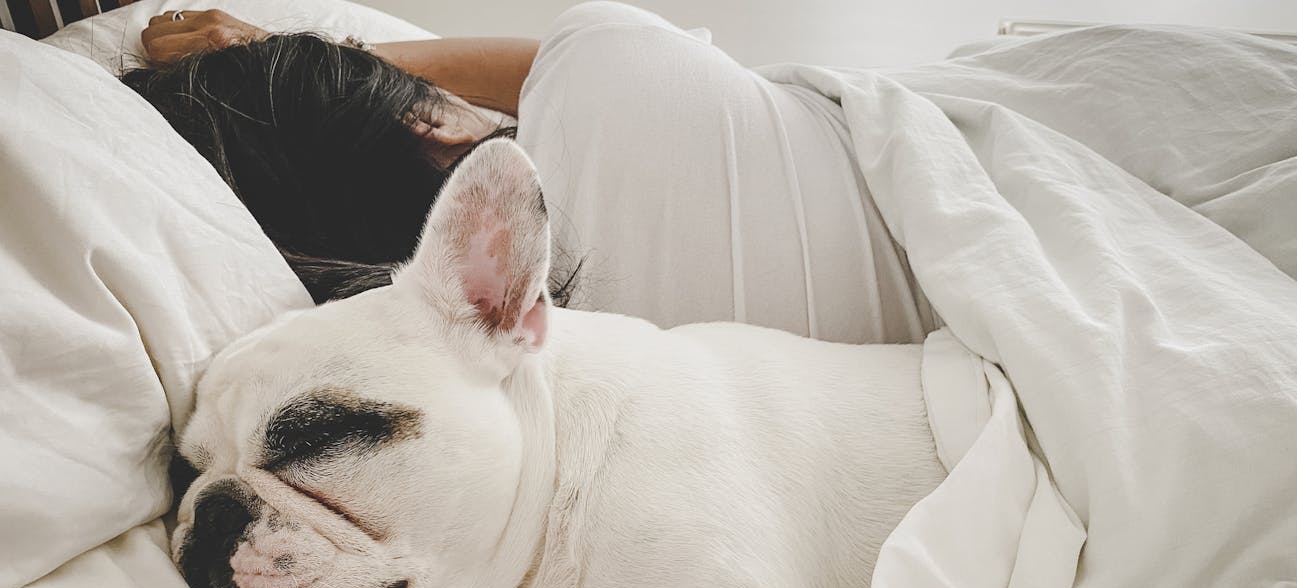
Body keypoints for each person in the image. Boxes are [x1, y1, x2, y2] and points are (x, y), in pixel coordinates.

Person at [128, 2, 933, 344]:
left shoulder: (511, 347)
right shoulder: (610, 60)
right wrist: (278, 53)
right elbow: (530, 71)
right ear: (428, 117)